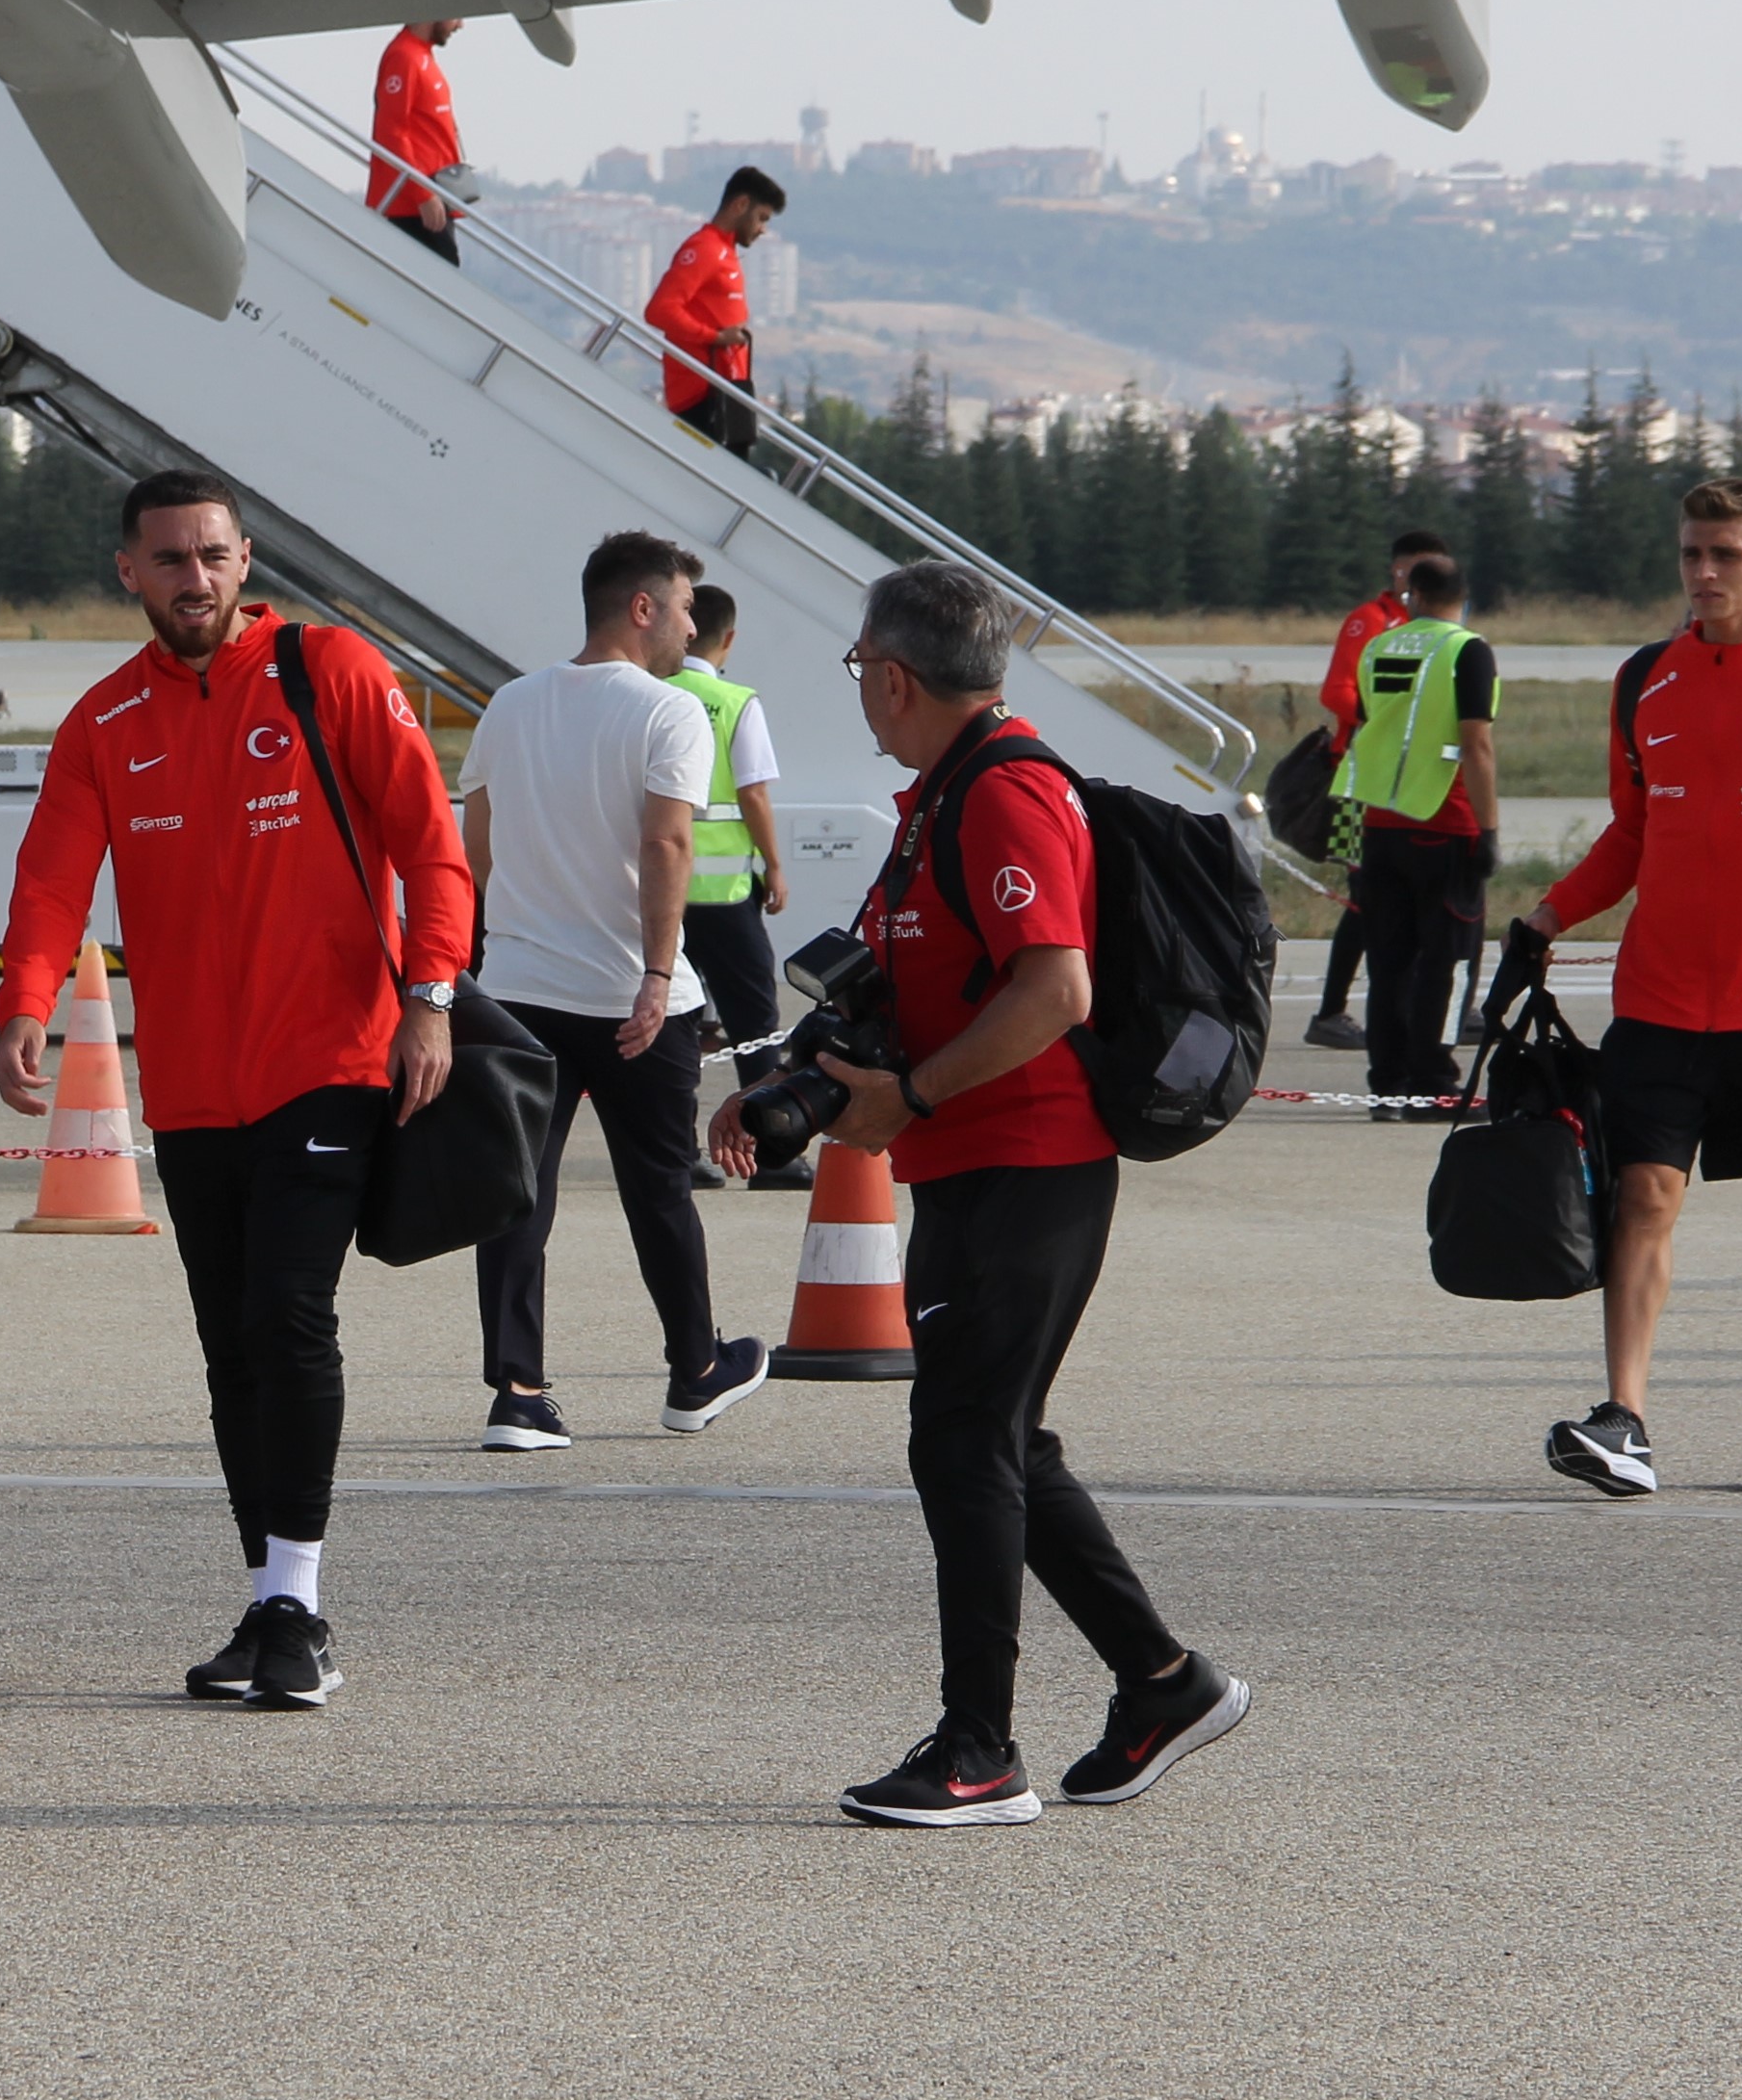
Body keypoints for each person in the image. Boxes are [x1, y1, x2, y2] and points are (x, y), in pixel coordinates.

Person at [708, 559, 1247, 1827]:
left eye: (858, 671)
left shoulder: (1003, 796)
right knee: (1003, 1444)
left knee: (960, 1444)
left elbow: (1053, 990)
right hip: (975, 1166)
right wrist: (795, 1079)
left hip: (1028, 1166)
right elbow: (905, 987)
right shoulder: (943, 794)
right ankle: (1163, 1685)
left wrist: (920, 1097)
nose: (859, 692)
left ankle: (979, 1748)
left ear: (894, 676)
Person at [0, 470, 471, 1708]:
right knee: (229, 1349)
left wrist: (431, 999)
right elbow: (50, 884)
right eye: (168, 560)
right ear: (129, 573)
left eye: (212, 555)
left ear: (245, 559)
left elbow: (431, 845)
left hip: (331, 1062)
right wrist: (24, 1008)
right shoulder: (104, 721)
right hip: (195, 1088)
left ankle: (300, 1607)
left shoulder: (331, 674)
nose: (193, 580)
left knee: (287, 1317)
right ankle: (268, 1595)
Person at [1499, 477, 1742, 1498]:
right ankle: (1624, 1417)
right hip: (1665, 994)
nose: (1704, 573)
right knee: (1642, 1195)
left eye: (1725, 555)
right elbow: (1633, 832)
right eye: (1690, 554)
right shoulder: (1645, 681)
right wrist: (1545, 917)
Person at [464, 532, 769, 1450]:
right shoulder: (668, 711)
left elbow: (475, 843)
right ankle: (694, 1371)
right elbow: (666, 844)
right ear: (642, 607)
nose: (690, 624)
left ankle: (517, 1393)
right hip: (634, 1001)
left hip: (518, 992)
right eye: (682, 605)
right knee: (659, 1189)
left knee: (518, 1192)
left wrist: (495, 949)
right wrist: (654, 971)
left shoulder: (511, 704)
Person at [1336, 551, 1501, 1102]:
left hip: (1379, 821)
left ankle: (1388, 1081)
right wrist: (1489, 828)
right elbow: (1476, 743)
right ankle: (1434, 1079)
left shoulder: (1380, 645)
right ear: (1462, 597)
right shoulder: (1466, 649)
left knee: (1389, 961)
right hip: (1446, 818)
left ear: (1415, 597)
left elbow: (1370, 721)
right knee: (1449, 958)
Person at [1298, 530, 1448, 1050]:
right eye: (1414, 569)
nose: (1420, 579)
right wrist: (1386, 721)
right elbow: (1336, 690)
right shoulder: (1372, 621)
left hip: (1414, 783)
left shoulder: (1431, 629)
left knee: (1414, 890)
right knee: (1366, 895)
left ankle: (1427, 1003)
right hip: (1363, 781)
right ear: (1397, 572)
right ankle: (1332, 1010)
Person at [672, 582, 799, 1184]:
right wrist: (773, 864)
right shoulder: (736, 700)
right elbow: (752, 792)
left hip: (655, 894)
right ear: (730, 638)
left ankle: (678, 1155)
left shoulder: (648, 694)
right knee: (754, 1020)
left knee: (669, 1021)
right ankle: (770, 1152)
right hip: (725, 897)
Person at [648, 168, 784, 450]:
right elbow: (660, 310)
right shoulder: (705, 249)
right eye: (761, 218)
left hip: (727, 392)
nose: (763, 229)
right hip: (702, 396)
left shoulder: (726, 253)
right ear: (740, 205)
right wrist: (716, 338)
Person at [368, 18, 471, 266]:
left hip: (432, 199)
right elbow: (391, 131)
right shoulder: (404, 56)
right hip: (413, 207)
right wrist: (422, 194)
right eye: (456, 15)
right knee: (439, 289)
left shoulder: (421, 55)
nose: (460, 25)